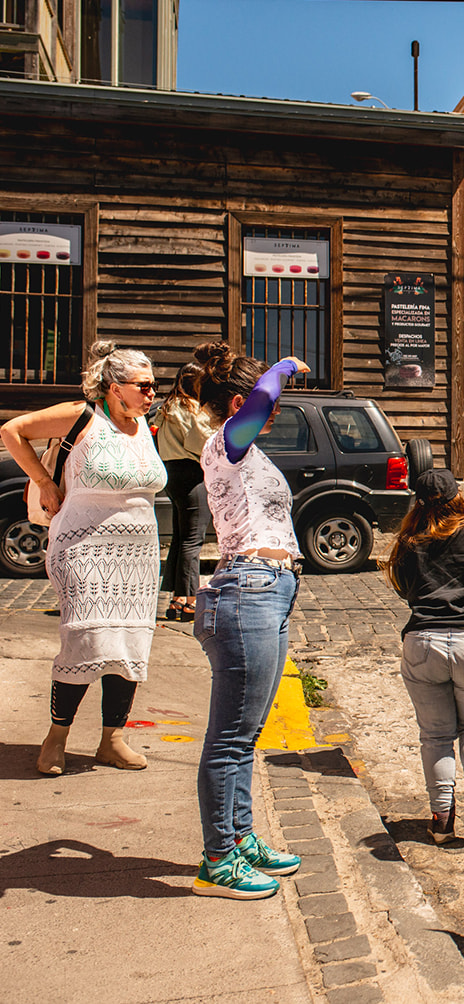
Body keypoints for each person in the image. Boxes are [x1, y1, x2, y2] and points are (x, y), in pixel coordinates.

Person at [1, 341, 166, 776]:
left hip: (139, 554)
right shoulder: (82, 415)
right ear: (114, 387)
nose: (152, 394)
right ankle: (56, 737)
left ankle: (112, 739)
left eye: (155, 386)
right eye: (144, 386)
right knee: (86, 639)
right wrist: (44, 482)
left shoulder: (144, 424)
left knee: (130, 642)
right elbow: (11, 431)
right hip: (83, 547)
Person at [189, 341, 309, 900]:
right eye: (271, 403)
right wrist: (282, 368)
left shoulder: (246, 453)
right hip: (247, 593)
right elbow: (261, 400)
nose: (274, 412)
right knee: (230, 738)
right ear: (239, 403)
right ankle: (218, 860)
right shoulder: (225, 444)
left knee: (247, 734)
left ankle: (239, 838)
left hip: (269, 591)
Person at [384, 467, 464, 844]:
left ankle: (442, 818)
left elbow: (406, 591)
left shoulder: (410, 538)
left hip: (424, 643)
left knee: (435, 735)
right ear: (458, 496)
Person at [152, 361, 216, 621]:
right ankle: (190, 601)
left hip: (172, 473)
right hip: (191, 473)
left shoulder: (166, 407)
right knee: (193, 540)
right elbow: (199, 441)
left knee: (180, 538)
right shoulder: (192, 408)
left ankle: (177, 598)